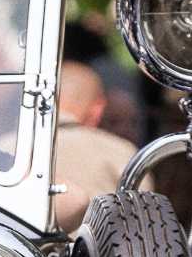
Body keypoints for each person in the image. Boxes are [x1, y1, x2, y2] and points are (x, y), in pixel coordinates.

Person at [49, 60, 139, 232]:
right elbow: (141, 229)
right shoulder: (123, 153)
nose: (126, 130)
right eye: (113, 121)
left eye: (134, 123)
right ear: (98, 109)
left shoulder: (8, 147)